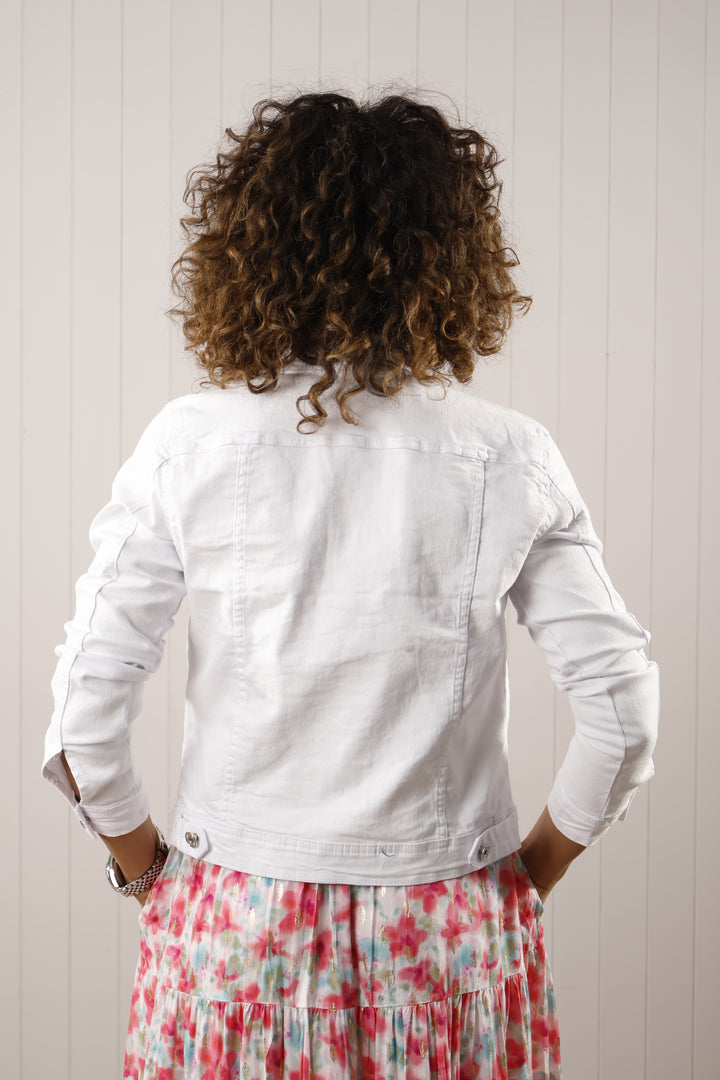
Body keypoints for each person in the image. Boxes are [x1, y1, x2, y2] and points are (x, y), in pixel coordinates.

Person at [41, 89, 660, 1080]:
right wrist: (516, 884)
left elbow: (83, 724)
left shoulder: (188, 446)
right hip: (454, 931)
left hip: (231, 933)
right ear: (451, 260)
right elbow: (625, 717)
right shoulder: (509, 455)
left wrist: (151, 875)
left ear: (248, 249)